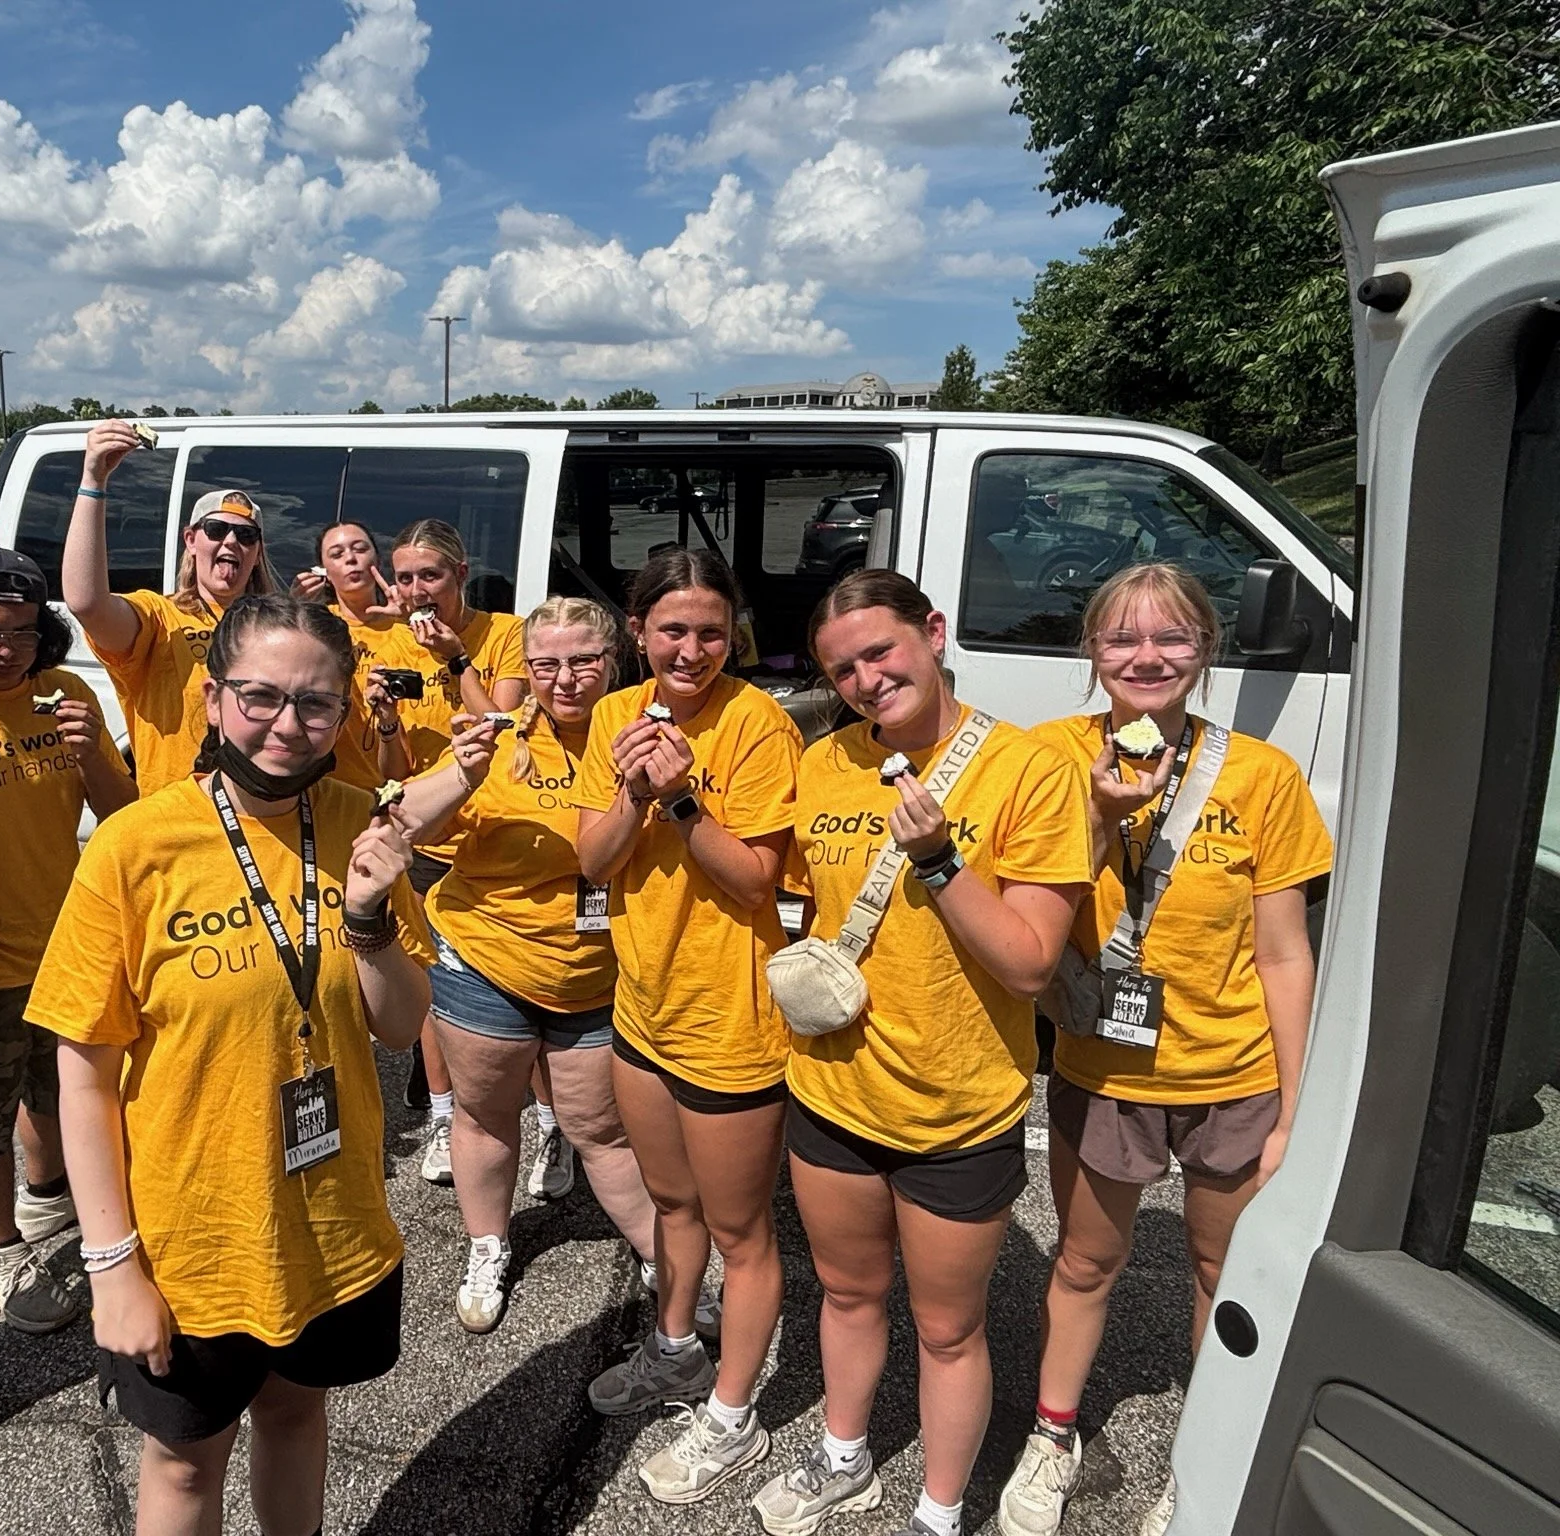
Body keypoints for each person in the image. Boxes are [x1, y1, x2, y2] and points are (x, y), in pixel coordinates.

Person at [28, 593, 434, 1536]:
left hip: (329, 1217)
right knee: (182, 1463)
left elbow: (404, 1029)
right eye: (260, 697)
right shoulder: (137, 844)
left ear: (344, 711)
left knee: (297, 1416)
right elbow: (81, 1071)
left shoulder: (358, 827)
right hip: (190, 1237)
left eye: (316, 704)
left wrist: (369, 921)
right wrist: (111, 1265)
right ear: (212, 701)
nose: (287, 725)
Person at [746, 569, 1092, 1536]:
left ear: (932, 633)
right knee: (849, 1296)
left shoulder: (1027, 769)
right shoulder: (825, 763)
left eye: (880, 652)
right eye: (841, 668)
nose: (865, 678)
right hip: (832, 1092)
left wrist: (942, 861)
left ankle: (939, 1513)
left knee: (947, 1330)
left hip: (956, 1107)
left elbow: (1029, 966)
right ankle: (844, 1457)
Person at [997, 564, 1331, 1536]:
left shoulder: (1260, 777)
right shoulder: (1044, 758)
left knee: (1216, 1272)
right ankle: (1050, 1435)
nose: (1146, 657)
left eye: (1172, 638)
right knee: (1084, 1262)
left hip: (1230, 1075)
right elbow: (1026, 914)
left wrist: (1293, 1113)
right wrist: (1098, 818)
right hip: (1100, 1069)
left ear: (1204, 652)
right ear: (1090, 653)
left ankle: (1204, 1460)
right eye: (1121, 639)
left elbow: (1281, 954)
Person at [570, 546, 804, 1506]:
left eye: (712, 631)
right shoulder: (615, 719)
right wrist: (632, 792)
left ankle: (734, 1418)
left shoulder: (755, 722)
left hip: (731, 1019)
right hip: (645, 1007)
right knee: (671, 1208)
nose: (693, 649)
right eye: (673, 629)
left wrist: (677, 795)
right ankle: (674, 1350)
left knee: (743, 1233)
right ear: (638, 631)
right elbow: (593, 860)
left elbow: (755, 876)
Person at [398, 596, 673, 1334]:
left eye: (584, 660)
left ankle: (664, 1262)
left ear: (616, 661)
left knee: (599, 1129)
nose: (565, 679)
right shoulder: (498, 738)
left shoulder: (648, 738)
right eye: (545, 664)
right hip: (489, 958)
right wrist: (460, 772)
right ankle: (488, 1245)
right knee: (488, 1118)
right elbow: (405, 825)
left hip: (595, 970)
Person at [0, 547, 138, 1335]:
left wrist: (90, 755)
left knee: (56, 1092)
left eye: (20, 631)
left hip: (66, 944)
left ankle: (46, 1204)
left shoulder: (66, 693)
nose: (5, 649)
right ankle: (0, 1253)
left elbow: (121, 816)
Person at [379, 519, 531, 1183]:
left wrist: (453, 661)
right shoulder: (391, 642)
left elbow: (509, 731)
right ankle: (443, 1116)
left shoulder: (506, 633)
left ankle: (548, 1125)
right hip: (428, 837)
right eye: (406, 578)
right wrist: (385, 722)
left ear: (460, 575)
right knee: (433, 985)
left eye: (430, 576)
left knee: (524, 980)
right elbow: (395, 762)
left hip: (498, 836)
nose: (417, 592)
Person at [61, 419, 278, 797]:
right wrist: (94, 481)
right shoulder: (160, 617)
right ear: (191, 541)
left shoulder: (276, 628)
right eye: (216, 530)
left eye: (246, 536)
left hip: (262, 812)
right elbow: (87, 603)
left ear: (257, 553)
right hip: (177, 817)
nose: (231, 541)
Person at [292, 519, 410, 791]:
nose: (351, 559)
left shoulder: (406, 628)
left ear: (377, 561)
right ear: (325, 573)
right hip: (327, 786)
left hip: (399, 782)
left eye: (359, 549)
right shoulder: (315, 628)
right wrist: (293, 610)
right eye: (337, 554)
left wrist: (409, 619)